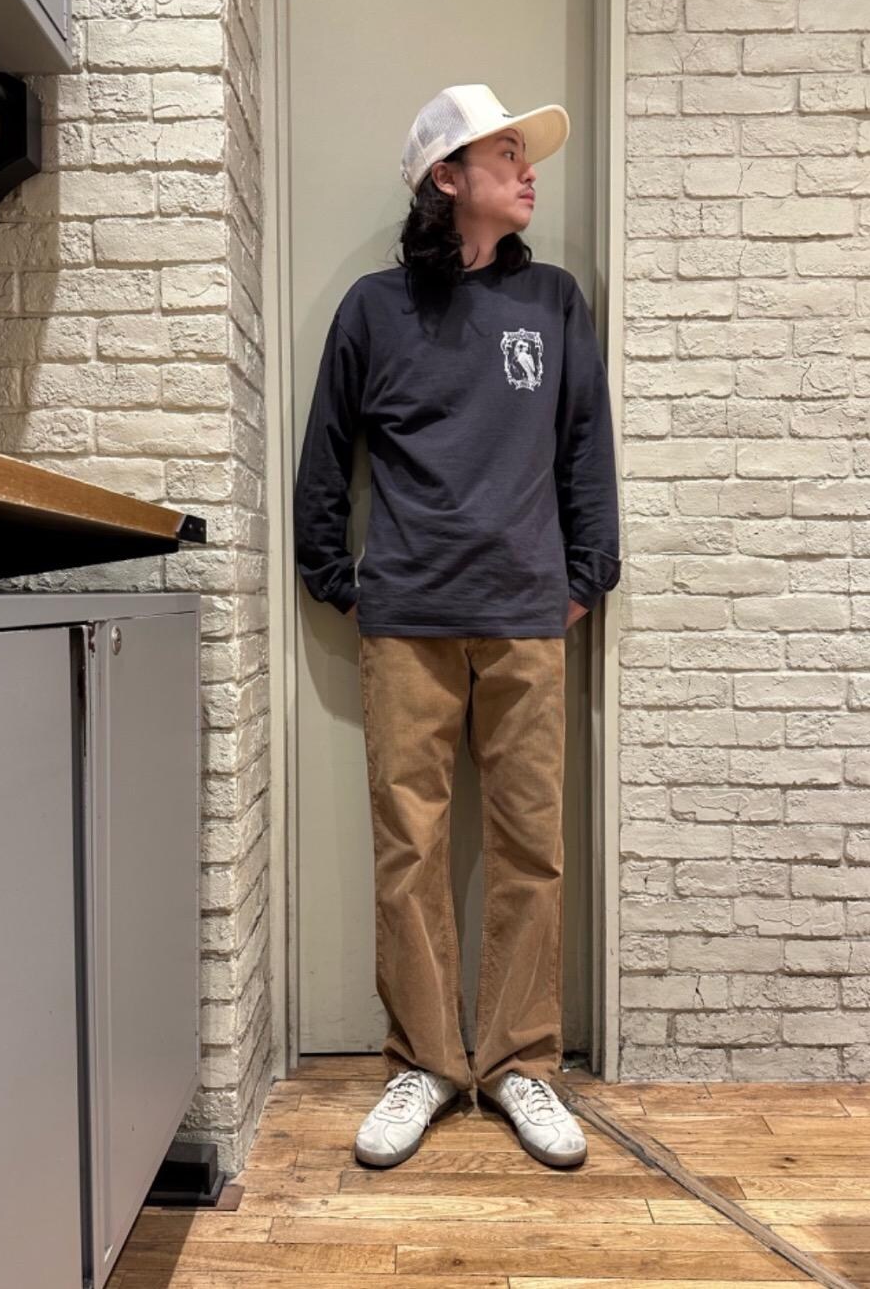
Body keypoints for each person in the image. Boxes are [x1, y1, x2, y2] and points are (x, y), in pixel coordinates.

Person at [293, 83, 621, 1171]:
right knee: (410, 846)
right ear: (447, 177)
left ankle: (522, 1061)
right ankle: (426, 1062)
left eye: (528, 157)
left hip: (527, 614)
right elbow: (325, 453)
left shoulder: (554, 301)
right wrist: (334, 577)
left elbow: (586, 445)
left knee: (532, 846)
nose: (528, 173)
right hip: (407, 620)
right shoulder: (373, 309)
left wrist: (589, 573)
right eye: (505, 155)